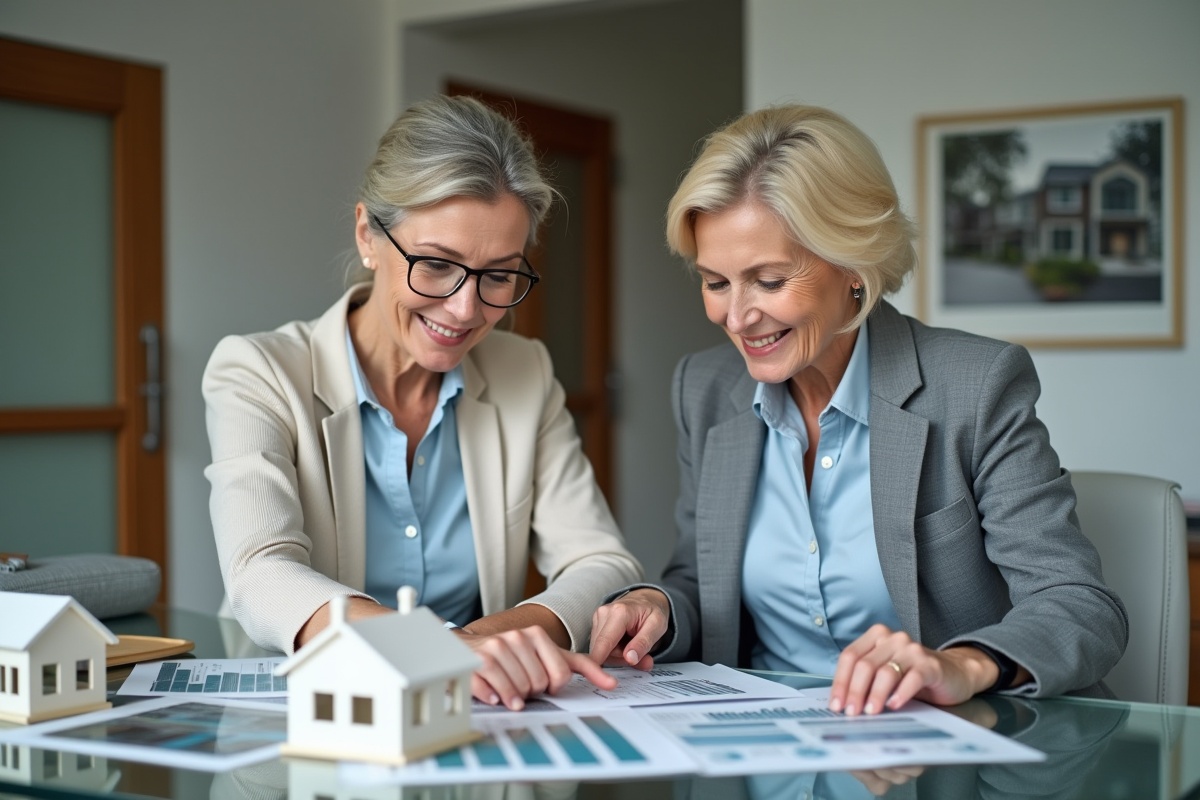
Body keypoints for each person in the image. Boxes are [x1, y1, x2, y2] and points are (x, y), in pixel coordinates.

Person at [589, 105, 1127, 716]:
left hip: (942, 746)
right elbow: (698, 577)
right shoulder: (705, 389)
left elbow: (1080, 604)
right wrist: (656, 605)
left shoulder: (974, 386)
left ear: (853, 265)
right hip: (765, 744)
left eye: (768, 281)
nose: (736, 319)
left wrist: (960, 664)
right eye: (716, 283)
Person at [204, 95, 642, 710]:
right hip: (308, 713)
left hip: (474, 711)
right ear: (368, 236)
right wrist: (438, 647)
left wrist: (487, 643)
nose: (466, 310)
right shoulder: (259, 370)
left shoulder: (525, 371)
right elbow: (260, 572)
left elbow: (602, 560)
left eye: (499, 275)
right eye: (436, 265)